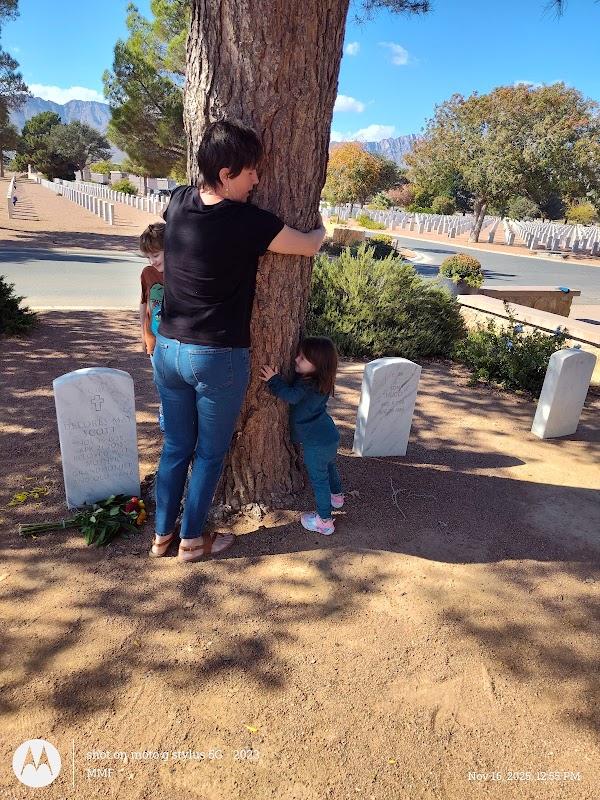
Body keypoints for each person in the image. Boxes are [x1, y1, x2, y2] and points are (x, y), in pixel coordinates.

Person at [150, 119, 326, 562]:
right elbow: (307, 245)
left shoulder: (178, 200)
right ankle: (191, 541)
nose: (257, 181)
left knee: (175, 447)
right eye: (250, 172)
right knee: (210, 455)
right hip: (216, 356)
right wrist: (322, 227)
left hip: (167, 349)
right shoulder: (249, 221)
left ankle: (161, 537)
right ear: (226, 174)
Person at [260, 336, 343, 536]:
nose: (296, 359)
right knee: (329, 466)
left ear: (318, 365)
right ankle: (337, 497)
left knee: (319, 480)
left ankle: (324, 521)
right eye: (298, 355)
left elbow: (292, 395)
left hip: (317, 443)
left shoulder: (306, 385)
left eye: (303, 358)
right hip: (329, 437)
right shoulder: (321, 380)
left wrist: (274, 380)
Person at [138, 222, 165, 433]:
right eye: (148, 257)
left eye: (155, 255)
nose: (152, 261)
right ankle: (165, 417)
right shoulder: (147, 273)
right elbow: (144, 303)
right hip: (155, 341)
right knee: (162, 383)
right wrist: (143, 333)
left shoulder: (183, 272)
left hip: (176, 341)